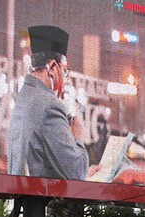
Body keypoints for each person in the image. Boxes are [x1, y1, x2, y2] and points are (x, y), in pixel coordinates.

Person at [7, 25, 97, 180]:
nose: (65, 78)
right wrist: (77, 138)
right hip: (43, 202)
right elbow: (76, 173)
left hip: (25, 198)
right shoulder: (50, 106)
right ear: (52, 67)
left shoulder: (25, 96)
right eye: (64, 71)